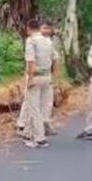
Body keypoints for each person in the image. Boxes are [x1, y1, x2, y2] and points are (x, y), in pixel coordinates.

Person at [19, 20, 56, 149]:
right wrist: (54, 76)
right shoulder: (48, 40)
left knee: (34, 108)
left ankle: (40, 139)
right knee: (39, 105)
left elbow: (31, 61)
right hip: (47, 76)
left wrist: (30, 78)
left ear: (28, 29)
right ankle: (28, 133)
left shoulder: (31, 40)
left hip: (36, 76)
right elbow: (55, 58)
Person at [41, 20, 60, 136]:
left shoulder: (51, 42)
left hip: (47, 75)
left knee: (47, 102)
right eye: (44, 28)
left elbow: (56, 59)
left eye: (48, 28)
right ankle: (25, 126)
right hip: (35, 74)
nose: (46, 30)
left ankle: (45, 124)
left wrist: (55, 77)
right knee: (32, 102)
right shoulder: (33, 41)